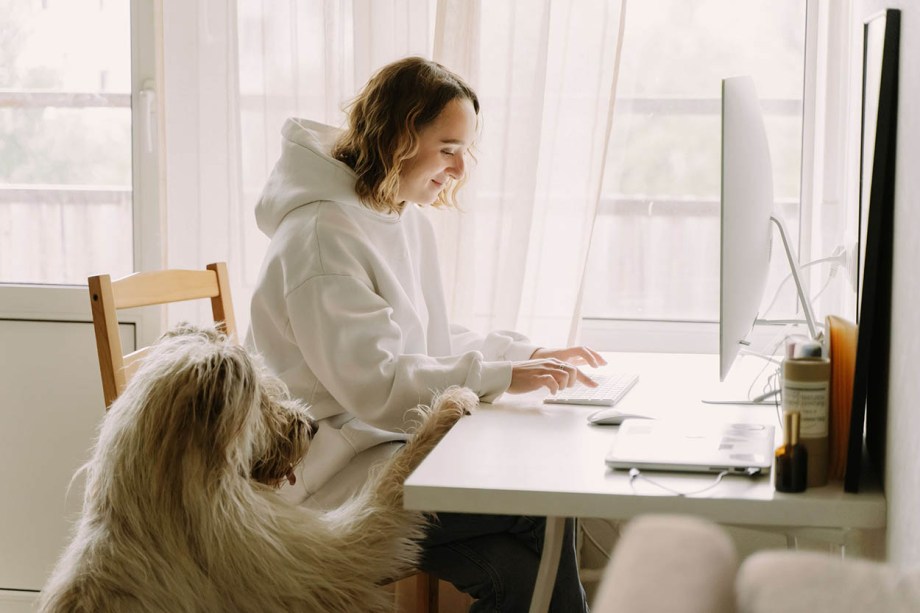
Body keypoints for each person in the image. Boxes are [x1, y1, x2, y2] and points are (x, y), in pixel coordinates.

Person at [247, 56, 603, 612]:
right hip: (320, 480)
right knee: (540, 507)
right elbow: (379, 388)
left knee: (521, 574)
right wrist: (503, 376)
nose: (460, 170)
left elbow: (428, 341)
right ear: (398, 137)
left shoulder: (395, 213)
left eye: (466, 152)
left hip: (378, 452)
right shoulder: (321, 236)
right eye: (448, 149)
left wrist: (523, 355)